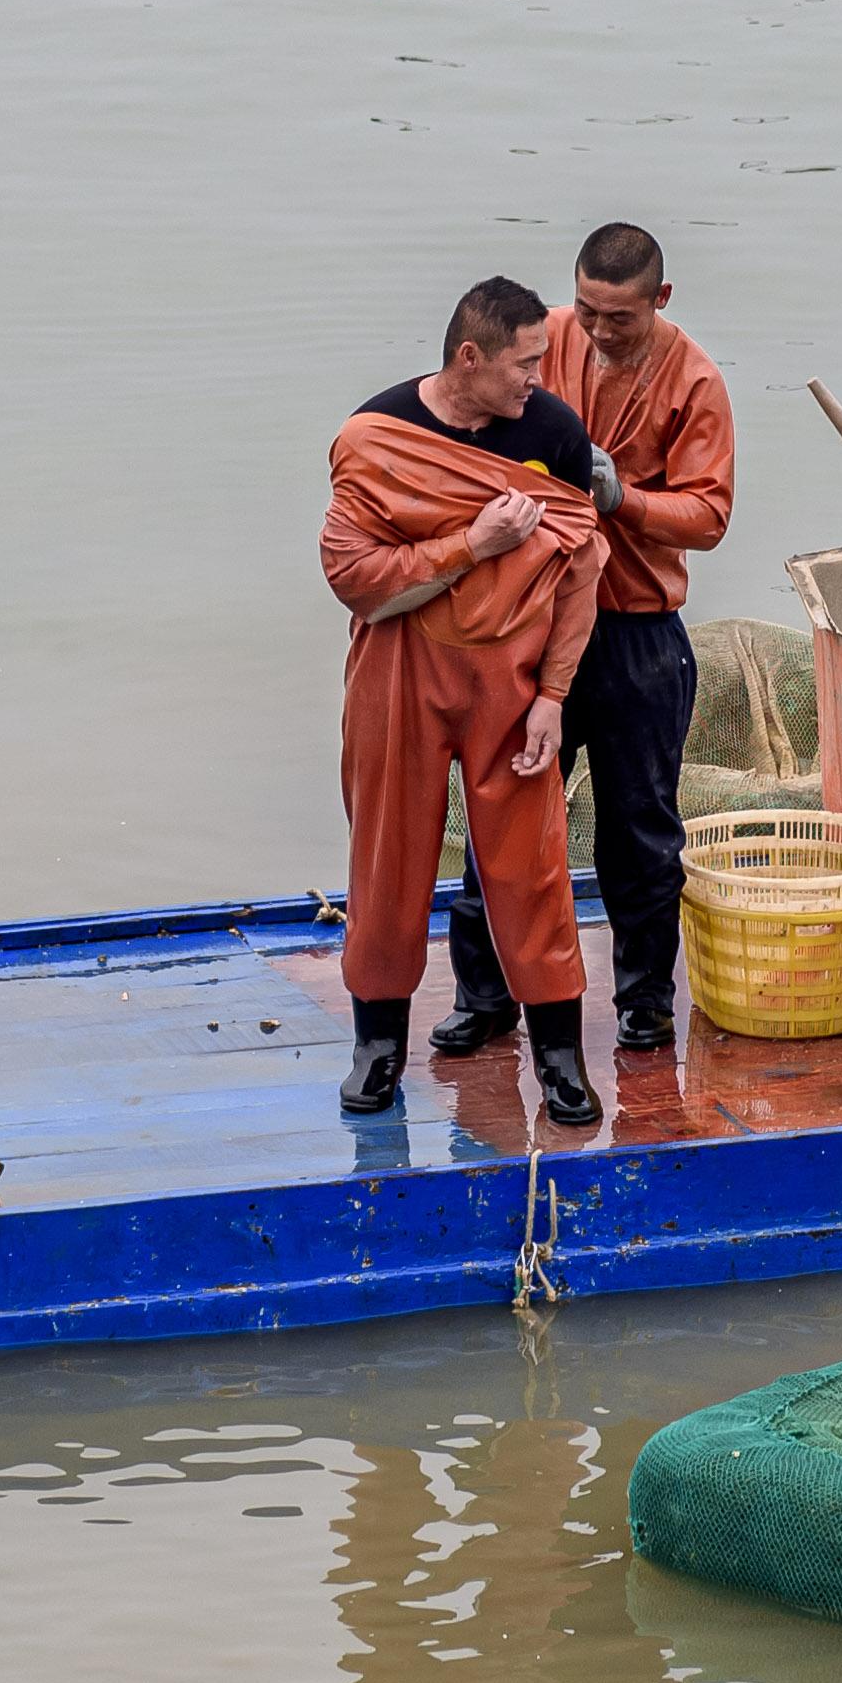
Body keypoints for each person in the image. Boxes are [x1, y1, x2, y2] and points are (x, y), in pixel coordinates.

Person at [431, 222, 739, 1057]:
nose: (599, 332)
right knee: (501, 814)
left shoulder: (696, 381)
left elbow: (709, 516)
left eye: (621, 319)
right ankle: (482, 995)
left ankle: (644, 1003)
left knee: (640, 831)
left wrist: (623, 497)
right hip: (534, 624)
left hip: (638, 633)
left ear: (660, 301)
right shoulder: (543, 343)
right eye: (589, 311)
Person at [323, 276, 614, 1129]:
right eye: (524, 363)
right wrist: (471, 543)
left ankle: (559, 1057)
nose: (538, 378)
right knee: (388, 862)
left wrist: (554, 696)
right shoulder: (377, 433)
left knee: (532, 866)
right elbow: (356, 582)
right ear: (468, 357)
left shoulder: (553, 433)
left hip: (511, 677)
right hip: (398, 670)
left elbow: (581, 571)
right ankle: (377, 1048)